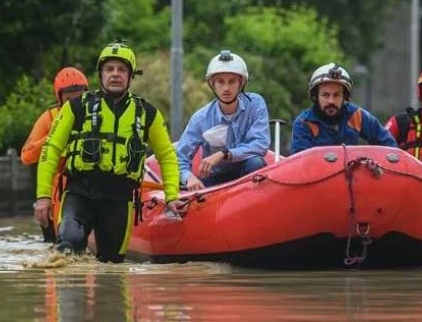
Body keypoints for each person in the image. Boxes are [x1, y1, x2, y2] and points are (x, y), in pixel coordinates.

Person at [35, 41, 184, 262]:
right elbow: (51, 149)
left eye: (122, 70)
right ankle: (69, 294)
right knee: (68, 245)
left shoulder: (147, 113)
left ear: (131, 76)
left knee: (112, 267)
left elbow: (167, 156)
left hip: (119, 200)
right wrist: (43, 196)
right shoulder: (76, 107)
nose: (115, 74)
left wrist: (172, 195)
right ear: (101, 74)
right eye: (109, 69)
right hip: (79, 193)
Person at [176, 50, 270, 191]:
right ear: (212, 84)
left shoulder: (256, 104)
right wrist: (189, 177)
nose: (226, 88)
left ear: (241, 83)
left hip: (247, 173)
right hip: (214, 179)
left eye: (232, 82)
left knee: (256, 162)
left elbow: (260, 144)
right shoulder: (200, 118)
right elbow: (180, 157)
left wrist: (224, 154)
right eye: (220, 82)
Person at [21, 67, 88, 243]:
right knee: (53, 246)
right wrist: (55, 136)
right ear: (59, 98)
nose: (74, 104)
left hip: (84, 189)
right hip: (55, 193)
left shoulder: (94, 115)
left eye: (79, 98)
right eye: (69, 99)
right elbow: (26, 156)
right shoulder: (48, 118)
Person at [291, 63, 397, 154]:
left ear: (344, 97)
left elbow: (389, 145)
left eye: (336, 95)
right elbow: (301, 164)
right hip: (319, 177)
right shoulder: (303, 124)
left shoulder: (356, 116)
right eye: (325, 95)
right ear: (315, 96)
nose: (331, 101)